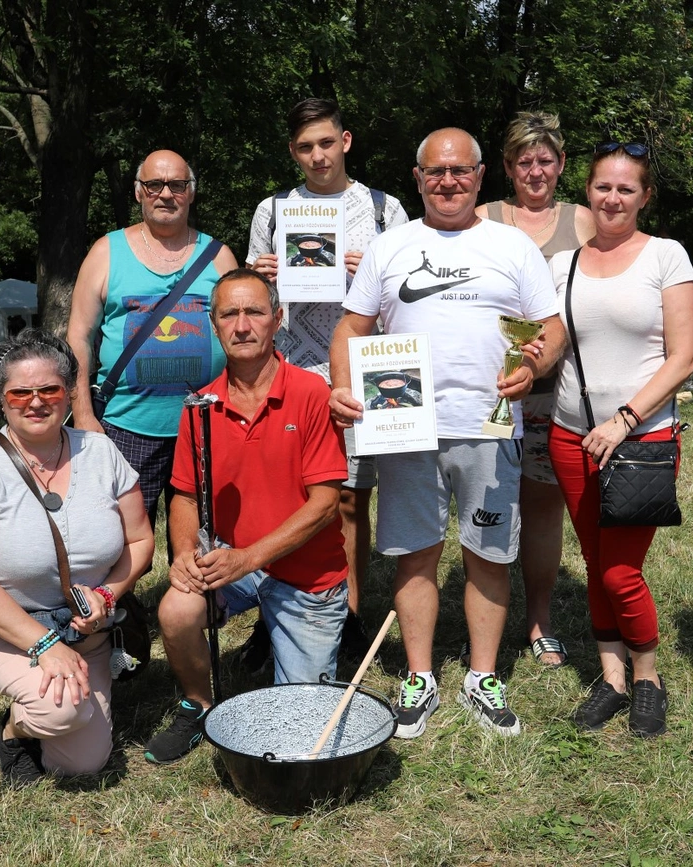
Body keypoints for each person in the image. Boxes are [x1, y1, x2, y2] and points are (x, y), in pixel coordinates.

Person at [330, 128, 566, 739]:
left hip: (489, 425)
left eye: (460, 171)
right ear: (418, 178)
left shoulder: (513, 246)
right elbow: (350, 327)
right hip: (405, 423)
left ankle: (482, 677)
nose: (448, 182)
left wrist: (533, 364)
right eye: (435, 171)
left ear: (480, 176)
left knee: (488, 553)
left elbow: (552, 327)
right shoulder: (391, 247)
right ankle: (419, 675)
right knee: (416, 552)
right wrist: (341, 384)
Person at [0, 329, 154, 787]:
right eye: (20, 392)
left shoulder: (100, 451)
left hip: (89, 632)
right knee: (60, 710)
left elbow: (141, 541)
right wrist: (45, 646)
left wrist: (107, 592)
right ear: (0, 400)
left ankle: (58, 703)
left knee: (82, 764)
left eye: (49, 389)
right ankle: (15, 731)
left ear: (67, 395)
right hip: (1, 630)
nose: (36, 401)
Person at [143, 269, 350, 764]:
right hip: (234, 565)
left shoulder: (311, 393)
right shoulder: (199, 406)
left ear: (277, 319)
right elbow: (185, 497)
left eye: (254, 312)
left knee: (303, 737)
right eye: (229, 314)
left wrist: (247, 559)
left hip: (307, 576)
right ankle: (197, 704)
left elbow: (325, 506)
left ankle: (286, 642)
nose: (242, 325)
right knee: (175, 608)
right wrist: (188, 554)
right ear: (213, 325)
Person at [246, 97, 410, 662]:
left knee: (347, 501)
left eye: (325, 142)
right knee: (284, 498)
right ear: (293, 152)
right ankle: (275, 615)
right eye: (304, 147)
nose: (317, 156)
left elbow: (407, 298)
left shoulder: (386, 210)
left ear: (345, 141)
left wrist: (375, 274)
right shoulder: (273, 210)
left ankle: (348, 616)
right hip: (289, 370)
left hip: (356, 372)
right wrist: (262, 275)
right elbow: (253, 305)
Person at [547, 140, 693, 738]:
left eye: (625, 188)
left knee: (619, 572)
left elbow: (684, 357)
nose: (612, 198)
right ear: (588, 190)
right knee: (593, 562)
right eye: (603, 186)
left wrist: (626, 419)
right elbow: (551, 345)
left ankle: (647, 677)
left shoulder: (666, 256)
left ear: (644, 196)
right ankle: (610, 678)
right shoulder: (564, 265)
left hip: (639, 441)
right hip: (570, 436)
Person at [475, 110, 595, 669]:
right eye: (524, 160)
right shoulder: (482, 217)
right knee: (488, 503)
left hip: (558, 389)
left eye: (546, 160)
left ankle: (540, 619)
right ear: (507, 166)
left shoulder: (586, 221)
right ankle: (480, 611)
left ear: (562, 164)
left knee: (544, 509)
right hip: (491, 388)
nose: (536, 170)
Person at [66, 149, 239, 536]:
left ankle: (197, 597)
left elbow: (242, 333)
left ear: (191, 193)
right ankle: (116, 598)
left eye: (177, 185)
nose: (166, 194)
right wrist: (83, 415)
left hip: (204, 424)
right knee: (119, 537)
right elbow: (78, 336)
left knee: (203, 539)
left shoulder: (219, 255)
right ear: (138, 192)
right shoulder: (106, 251)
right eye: (154, 184)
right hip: (126, 426)